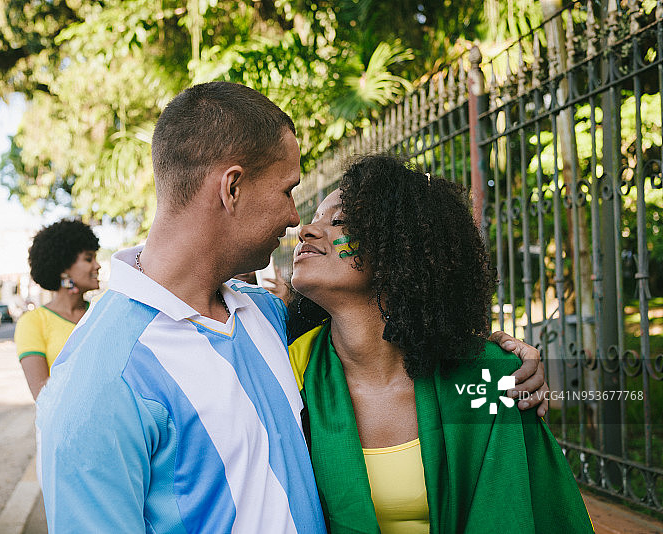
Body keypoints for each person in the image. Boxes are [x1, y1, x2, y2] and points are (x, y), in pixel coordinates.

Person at [36, 82, 547, 533]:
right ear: (231, 187)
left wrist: (500, 355)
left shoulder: (271, 320)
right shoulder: (99, 382)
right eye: (288, 190)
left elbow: (402, 322)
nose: (295, 219)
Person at [288, 155, 591, 533]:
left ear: (400, 246)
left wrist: (503, 364)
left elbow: (525, 511)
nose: (307, 231)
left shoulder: (493, 380)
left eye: (339, 221)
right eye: (314, 219)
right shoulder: (284, 369)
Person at [14, 218, 100, 400]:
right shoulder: (33, 322)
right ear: (64, 269)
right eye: (88, 258)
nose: (97, 265)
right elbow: (42, 395)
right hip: (64, 427)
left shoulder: (101, 313)